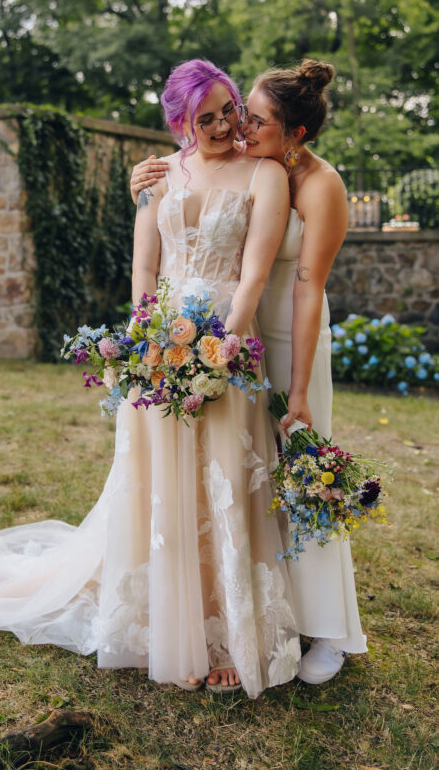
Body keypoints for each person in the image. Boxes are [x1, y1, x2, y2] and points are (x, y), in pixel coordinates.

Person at [0, 59, 302, 697]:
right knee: (161, 485)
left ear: (238, 105)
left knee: (224, 481)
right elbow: (144, 269)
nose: (216, 126)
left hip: (229, 342)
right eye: (199, 118)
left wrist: (224, 351)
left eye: (226, 111)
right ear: (179, 121)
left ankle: (224, 630)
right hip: (157, 350)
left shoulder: (266, 173)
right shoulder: (159, 174)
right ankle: (166, 625)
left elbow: (254, 275)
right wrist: (145, 343)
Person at [129, 58, 367, 685]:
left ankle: (333, 631)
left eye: (253, 119)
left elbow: (310, 286)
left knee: (301, 473)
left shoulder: (318, 184)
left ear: (295, 135)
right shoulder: (253, 166)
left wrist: (297, 386)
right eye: (240, 113)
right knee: (255, 486)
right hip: (235, 330)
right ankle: (262, 607)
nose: (240, 127)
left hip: (293, 337)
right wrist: (145, 179)